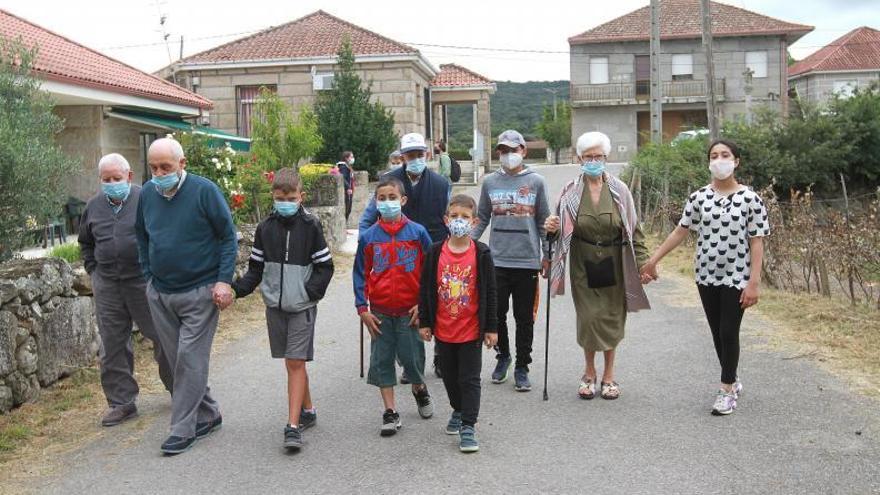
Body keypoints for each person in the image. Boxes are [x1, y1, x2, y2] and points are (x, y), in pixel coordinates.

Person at [640, 139, 768, 416]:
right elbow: (681, 231)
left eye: (725, 155)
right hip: (706, 274)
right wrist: (653, 260)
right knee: (716, 333)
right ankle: (732, 377)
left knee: (728, 330)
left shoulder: (751, 199)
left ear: (736, 161)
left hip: (737, 275)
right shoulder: (698, 197)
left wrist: (754, 282)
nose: (719, 160)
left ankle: (726, 390)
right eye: (714, 155)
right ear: (708, 162)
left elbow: (757, 241)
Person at [135, 137, 236, 455]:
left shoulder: (204, 191)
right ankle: (210, 414)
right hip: (161, 292)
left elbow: (227, 237)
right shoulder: (148, 194)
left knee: (190, 360)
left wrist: (222, 281)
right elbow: (141, 235)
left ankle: (182, 428)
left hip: (200, 291)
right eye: (153, 167)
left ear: (182, 164)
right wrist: (148, 276)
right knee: (177, 359)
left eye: (165, 166)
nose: (159, 173)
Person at [231, 168, 334, 450]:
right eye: (279, 197)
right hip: (274, 307)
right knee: (293, 362)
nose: (284, 202)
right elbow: (255, 269)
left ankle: (292, 427)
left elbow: (325, 267)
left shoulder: (311, 227)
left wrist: (308, 293)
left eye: (290, 197)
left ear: (301, 196)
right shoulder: (265, 228)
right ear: (273, 197)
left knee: (294, 362)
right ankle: (308, 410)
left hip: (301, 306)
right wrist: (236, 290)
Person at [544, 131, 650, 401]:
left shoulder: (620, 190)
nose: (593, 160)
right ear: (579, 159)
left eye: (598, 156)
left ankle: (609, 375)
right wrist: (551, 229)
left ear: (607, 157)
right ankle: (589, 373)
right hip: (583, 261)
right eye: (588, 156)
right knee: (590, 318)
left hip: (615, 261)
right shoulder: (569, 192)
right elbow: (558, 232)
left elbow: (634, 228)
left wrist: (643, 262)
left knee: (613, 317)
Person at [78, 153, 173, 427]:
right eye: (106, 180)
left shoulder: (148, 199)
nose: (111, 184)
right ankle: (121, 402)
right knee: (112, 343)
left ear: (129, 177)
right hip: (107, 283)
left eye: (116, 179)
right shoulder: (93, 206)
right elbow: (85, 241)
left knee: (163, 336)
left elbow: (162, 236)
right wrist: (93, 269)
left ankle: (180, 389)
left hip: (142, 280)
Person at [360, 132, 451, 378]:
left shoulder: (442, 184)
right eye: (410, 155)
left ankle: (440, 354)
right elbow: (368, 218)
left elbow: (449, 218)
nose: (415, 158)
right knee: (403, 311)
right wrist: (365, 241)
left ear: (426, 154)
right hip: (398, 255)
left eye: (419, 154)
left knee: (438, 307)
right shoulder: (389, 183)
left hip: (434, 252)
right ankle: (408, 360)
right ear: (402, 157)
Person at [354, 177, 435, 436]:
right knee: (382, 361)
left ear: (402, 201)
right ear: (375, 203)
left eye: (392, 197)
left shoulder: (417, 233)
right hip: (379, 313)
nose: (387, 202)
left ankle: (419, 389)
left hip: (409, 312)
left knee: (413, 361)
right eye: (381, 198)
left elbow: (429, 272)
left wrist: (423, 305)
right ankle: (390, 411)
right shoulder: (369, 238)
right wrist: (362, 308)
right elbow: (360, 274)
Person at [471, 129, 550, 392]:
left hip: (527, 260)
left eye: (513, 150)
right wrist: (465, 244)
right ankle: (503, 357)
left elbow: (543, 222)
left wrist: (547, 255)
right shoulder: (490, 182)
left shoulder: (536, 182)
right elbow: (482, 217)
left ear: (523, 151)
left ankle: (522, 367)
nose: (508, 155)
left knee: (524, 317)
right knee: (497, 314)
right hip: (497, 260)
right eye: (504, 151)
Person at [419, 194, 497, 453]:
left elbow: (490, 292)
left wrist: (491, 327)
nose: (459, 221)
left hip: (471, 330)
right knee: (450, 378)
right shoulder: (434, 253)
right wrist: (425, 322)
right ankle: (458, 408)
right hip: (443, 330)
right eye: (455, 216)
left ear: (475, 221)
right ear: (446, 220)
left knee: (469, 379)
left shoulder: (482, 253)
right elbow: (426, 290)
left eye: (465, 217)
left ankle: (468, 425)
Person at [336, 151, 355, 222]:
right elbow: (342, 178)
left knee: (348, 209)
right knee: (347, 209)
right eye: (351, 157)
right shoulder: (343, 167)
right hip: (346, 191)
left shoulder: (347, 166)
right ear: (346, 158)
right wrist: (348, 188)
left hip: (348, 190)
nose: (353, 158)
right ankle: (344, 228)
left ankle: (345, 227)